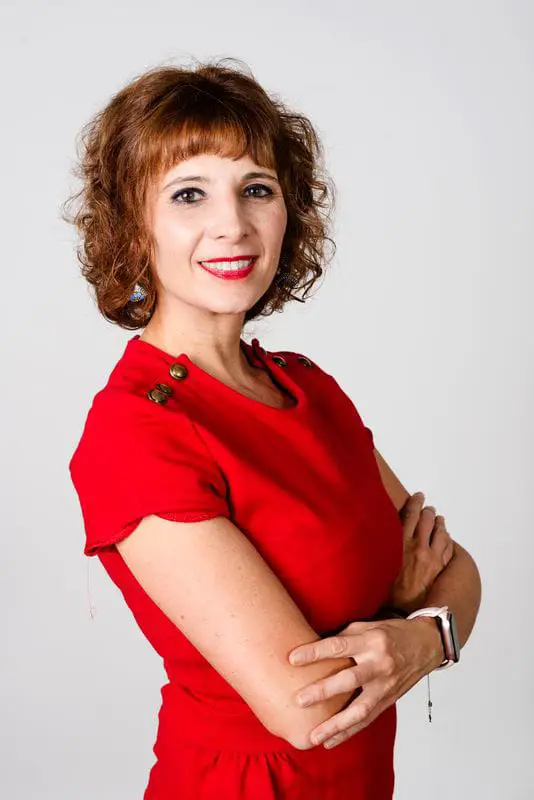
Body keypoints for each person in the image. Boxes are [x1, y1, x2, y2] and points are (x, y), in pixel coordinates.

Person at [65, 58, 481, 799]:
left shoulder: (307, 385)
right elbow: (306, 707)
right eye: (188, 193)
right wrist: (411, 618)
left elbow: (458, 571)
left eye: (256, 188)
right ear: (134, 226)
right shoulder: (136, 429)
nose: (232, 224)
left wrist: (422, 634)